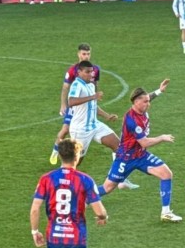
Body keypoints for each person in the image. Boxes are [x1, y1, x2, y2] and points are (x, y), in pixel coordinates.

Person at [48, 44, 140, 189]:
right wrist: (92, 97)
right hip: (81, 129)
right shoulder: (77, 85)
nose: (91, 74)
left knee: (119, 147)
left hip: (95, 125)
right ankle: (59, 184)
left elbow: (93, 106)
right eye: (88, 72)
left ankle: (120, 179)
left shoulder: (90, 85)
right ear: (79, 72)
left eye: (92, 72)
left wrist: (106, 116)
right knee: (75, 161)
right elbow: (71, 102)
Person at [98, 80, 183, 223]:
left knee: (166, 174)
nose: (148, 104)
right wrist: (161, 137)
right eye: (145, 102)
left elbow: (147, 97)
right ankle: (83, 197)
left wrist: (159, 91)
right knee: (108, 187)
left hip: (140, 155)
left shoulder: (141, 108)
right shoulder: (132, 120)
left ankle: (166, 212)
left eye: (148, 101)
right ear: (136, 102)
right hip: (125, 158)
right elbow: (144, 142)